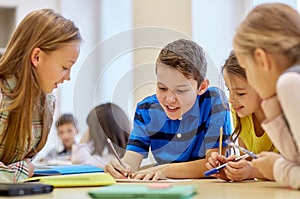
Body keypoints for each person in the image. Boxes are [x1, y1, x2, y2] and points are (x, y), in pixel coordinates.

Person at [105, 39, 232, 180]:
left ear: (201, 87)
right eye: (162, 88)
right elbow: (131, 160)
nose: (170, 99)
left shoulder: (214, 102)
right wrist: (122, 167)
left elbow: (213, 165)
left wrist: (164, 170)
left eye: (181, 90)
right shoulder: (146, 109)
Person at [0, 9, 81, 182]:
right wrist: (21, 171)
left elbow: (24, 162)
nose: (68, 77)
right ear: (36, 57)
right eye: (65, 67)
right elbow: (23, 167)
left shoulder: (46, 102)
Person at [232, 3, 300, 189]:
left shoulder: (291, 82)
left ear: (262, 60)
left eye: (247, 69)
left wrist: (277, 168)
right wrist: (271, 103)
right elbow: (296, 159)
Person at [206, 51, 278, 181]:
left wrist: (251, 171)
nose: (230, 100)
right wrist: (233, 169)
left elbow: (292, 169)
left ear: (263, 87)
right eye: (229, 90)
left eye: (240, 93)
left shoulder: (285, 116)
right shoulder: (240, 113)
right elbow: (250, 163)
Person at [72, 103, 130, 169]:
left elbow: (78, 159)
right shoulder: (128, 153)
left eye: (91, 128)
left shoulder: (110, 160)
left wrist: (89, 129)